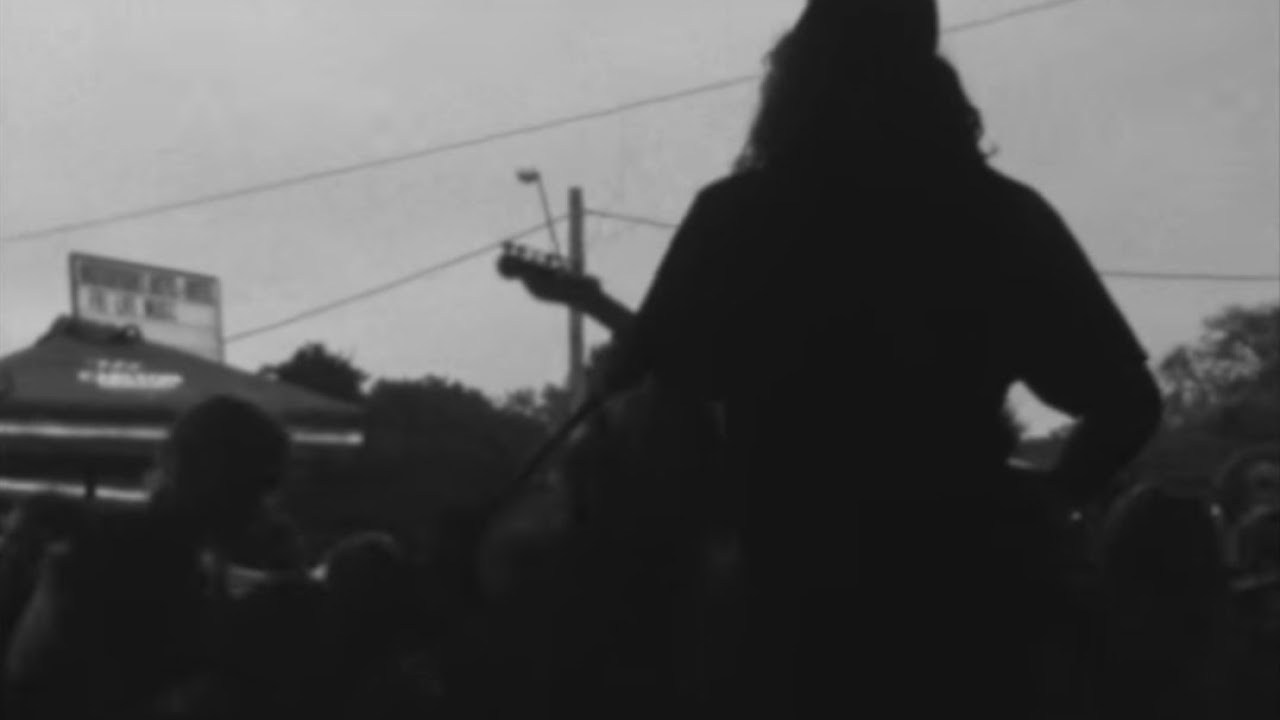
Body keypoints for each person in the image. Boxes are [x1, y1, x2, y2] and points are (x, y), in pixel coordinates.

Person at [596, 1, 1163, 716]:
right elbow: (1128, 402)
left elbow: (652, 393)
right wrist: (1049, 500)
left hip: (782, 607)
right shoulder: (1002, 216)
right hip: (968, 611)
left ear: (795, 79)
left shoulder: (735, 215)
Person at [3, 394, 293, 719]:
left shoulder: (121, 546)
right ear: (218, 479)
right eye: (260, 488)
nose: (265, 509)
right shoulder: (129, 559)